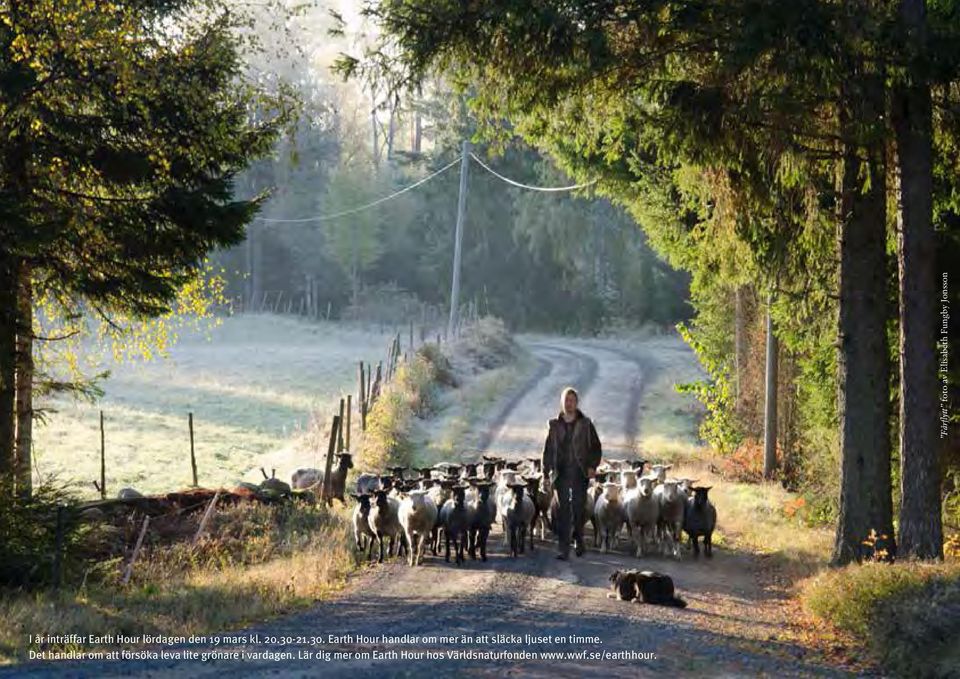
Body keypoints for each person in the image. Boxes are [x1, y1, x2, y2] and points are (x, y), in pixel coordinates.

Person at [541, 387, 602, 560]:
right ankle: (563, 548)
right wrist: (545, 473)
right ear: (562, 402)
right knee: (562, 510)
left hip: (580, 471)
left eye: (572, 400)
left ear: (577, 402)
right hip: (560, 472)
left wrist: (592, 466)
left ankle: (579, 538)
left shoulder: (586, 423)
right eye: (566, 400)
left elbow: (596, 447)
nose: (569, 403)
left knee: (578, 507)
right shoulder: (554, 425)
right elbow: (547, 450)